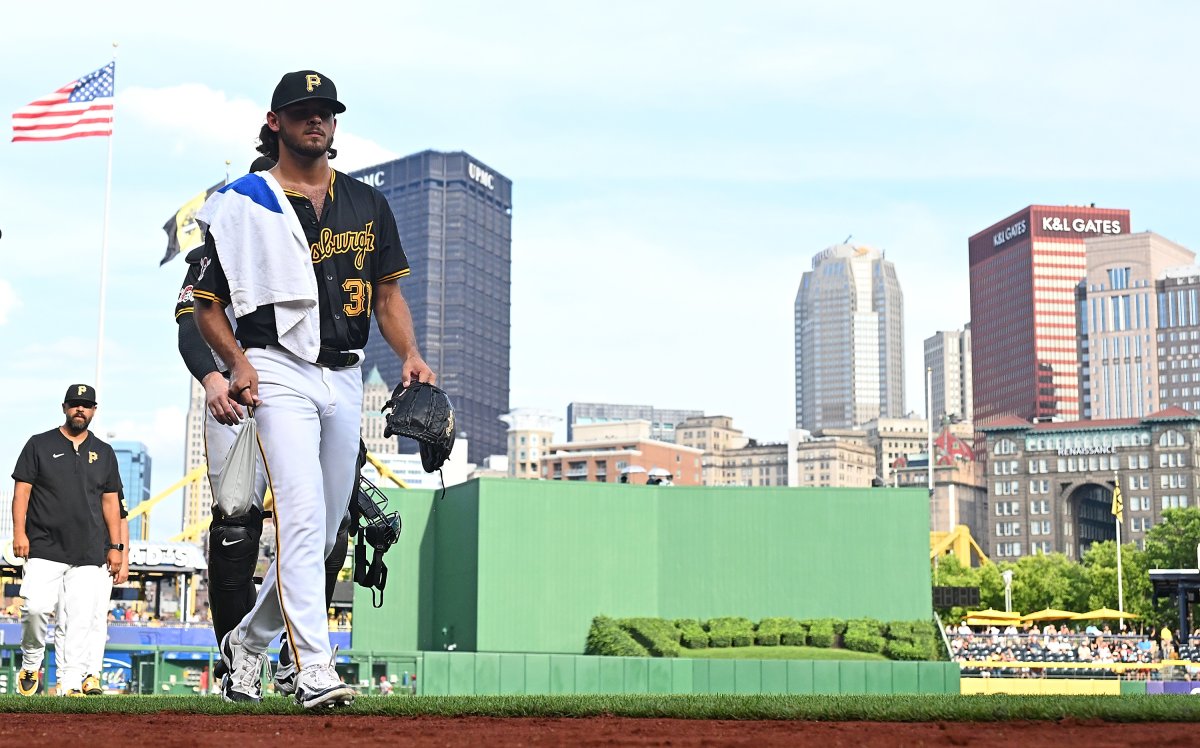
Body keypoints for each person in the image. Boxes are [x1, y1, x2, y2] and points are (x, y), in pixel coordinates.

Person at [194, 69, 434, 709]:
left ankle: (247, 644)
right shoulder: (244, 201)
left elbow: (388, 295)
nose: (317, 119)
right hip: (276, 366)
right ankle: (315, 671)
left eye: (326, 110)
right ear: (275, 122)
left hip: (346, 371)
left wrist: (409, 354)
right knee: (299, 518)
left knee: (324, 535)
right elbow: (204, 305)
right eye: (303, 110)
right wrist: (237, 364)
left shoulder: (367, 203)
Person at [174, 153, 354, 697]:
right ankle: (241, 660)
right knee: (236, 529)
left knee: (324, 533)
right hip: (234, 391)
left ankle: (262, 648)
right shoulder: (223, 237)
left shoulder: (317, 248)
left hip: (299, 385)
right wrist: (212, 379)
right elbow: (190, 327)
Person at [11, 384, 124, 696]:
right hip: (44, 545)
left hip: (90, 550)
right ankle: (31, 661)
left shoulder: (104, 451)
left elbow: (111, 503)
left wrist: (116, 547)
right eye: (75, 404)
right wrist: (18, 532)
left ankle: (70, 684)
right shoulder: (39, 444)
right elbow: (22, 492)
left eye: (86, 405)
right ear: (64, 407)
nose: (80, 410)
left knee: (78, 621)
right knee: (34, 608)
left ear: (94, 411)